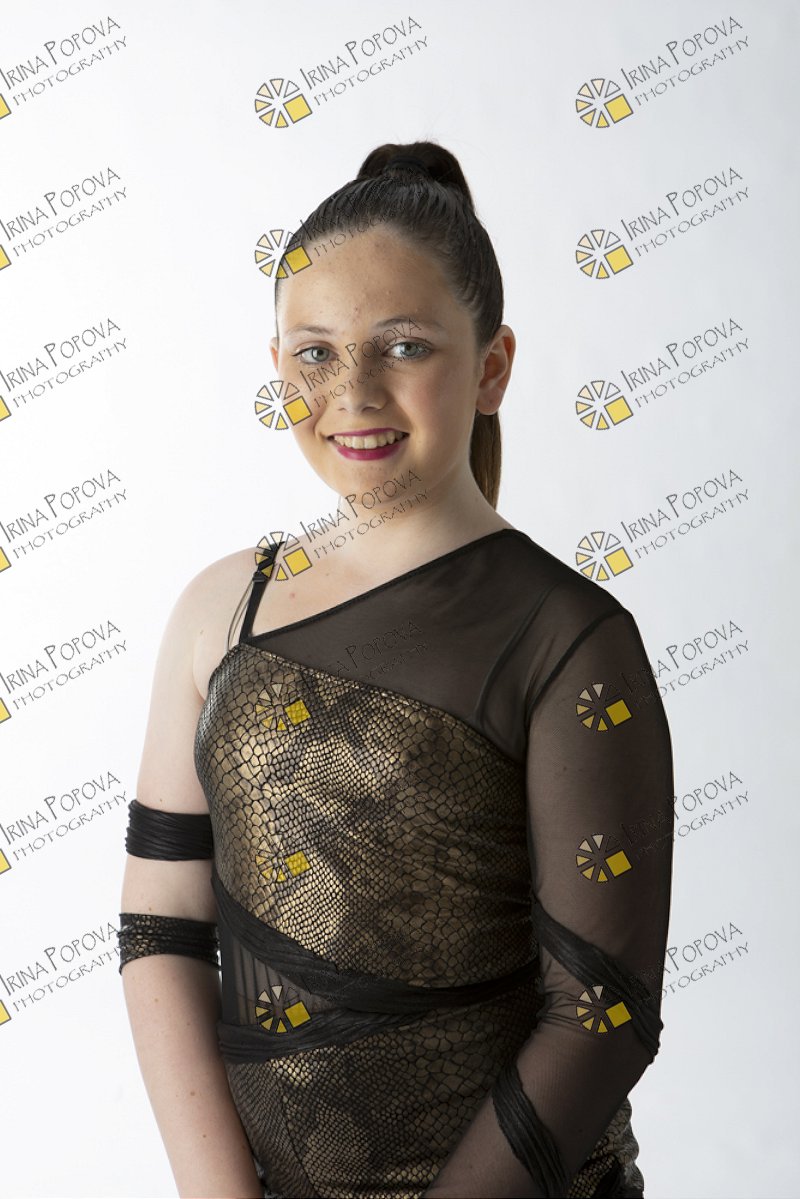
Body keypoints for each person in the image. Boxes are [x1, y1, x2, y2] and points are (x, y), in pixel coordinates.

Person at [118, 140, 674, 1199]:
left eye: (404, 346)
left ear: (492, 366)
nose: (353, 390)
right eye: (315, 354)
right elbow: (162, 924)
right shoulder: (220, 610)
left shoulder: (568, 638)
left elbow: (600, 1013)